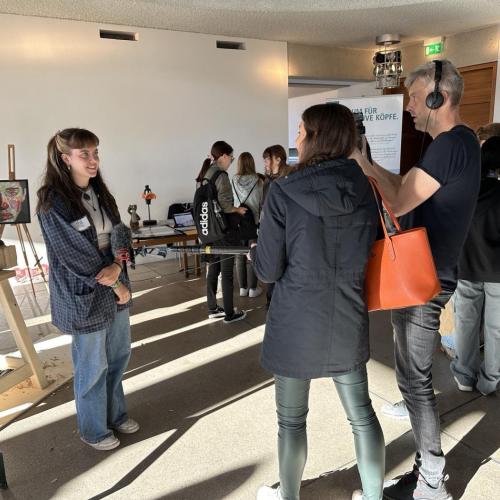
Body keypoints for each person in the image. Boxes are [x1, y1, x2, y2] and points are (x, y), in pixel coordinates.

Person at [352, 59, 481, 500]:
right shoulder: (453, 145)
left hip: (427, 281)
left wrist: (360, 165)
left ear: (436, 97)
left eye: (412, 96)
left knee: (414, 381)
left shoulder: (450, 145)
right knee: (411, 376)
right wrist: (367, 163)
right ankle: (428, 471)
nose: (407, 105)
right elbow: (403, 185)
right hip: (425, 276)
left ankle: (432, 481)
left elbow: (399, 200)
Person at [252, 103, 384, 500]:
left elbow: (268, 270)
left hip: (295, 322)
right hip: (346, 313)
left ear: (315, 137)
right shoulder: (366, 187)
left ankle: (289, 496)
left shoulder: (283, 191)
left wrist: (258, 252)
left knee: (291, 423)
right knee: (362, 416)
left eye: (300, 131)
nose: (296, 139)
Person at [37, 128, 139, 451]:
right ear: (66, 159)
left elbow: (121, 231)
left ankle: (115, 413)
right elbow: (75, 255)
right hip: (87, 294)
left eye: (96, 153)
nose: (94, 160)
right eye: (85, 155)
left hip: (115, 284)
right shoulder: (52, 202)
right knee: (92, 365)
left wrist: (120, 266)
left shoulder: (100, 192)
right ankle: (93, 428)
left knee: (119, 355)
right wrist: (116, 281)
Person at [450, 136, 500, 396]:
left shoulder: (466, 188)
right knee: (496, 328)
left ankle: (464, 375)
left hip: (466, 266)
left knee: (466, 321)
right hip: (497, 272)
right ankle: (490, 380)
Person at [196, 140, 247, 323]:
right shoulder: (221, 176)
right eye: (231, 158)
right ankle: (229, 314)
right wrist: (238, 210)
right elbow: (225, 206)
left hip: (209, 231)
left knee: (214, 269)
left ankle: (212, 308)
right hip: (223, 231)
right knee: (226, 271)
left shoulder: (205, 174)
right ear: (224, 156)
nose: (231, 161)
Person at [232, 152, 264, 298]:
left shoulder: (234, 180)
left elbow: (232, 201)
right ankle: (253, 289)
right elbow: (262, 202)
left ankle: (242, 288)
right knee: (253, 255)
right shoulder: (258, 180)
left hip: (238, 222)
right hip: (254, 223)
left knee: (239, 256)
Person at [261, 145, 288, 308]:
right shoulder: (268, 180)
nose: (264, 163)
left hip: (285, 231)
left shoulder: (288, 178)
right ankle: (271, 302)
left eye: (267, 159)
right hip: (270, 231)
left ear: (278, 159)